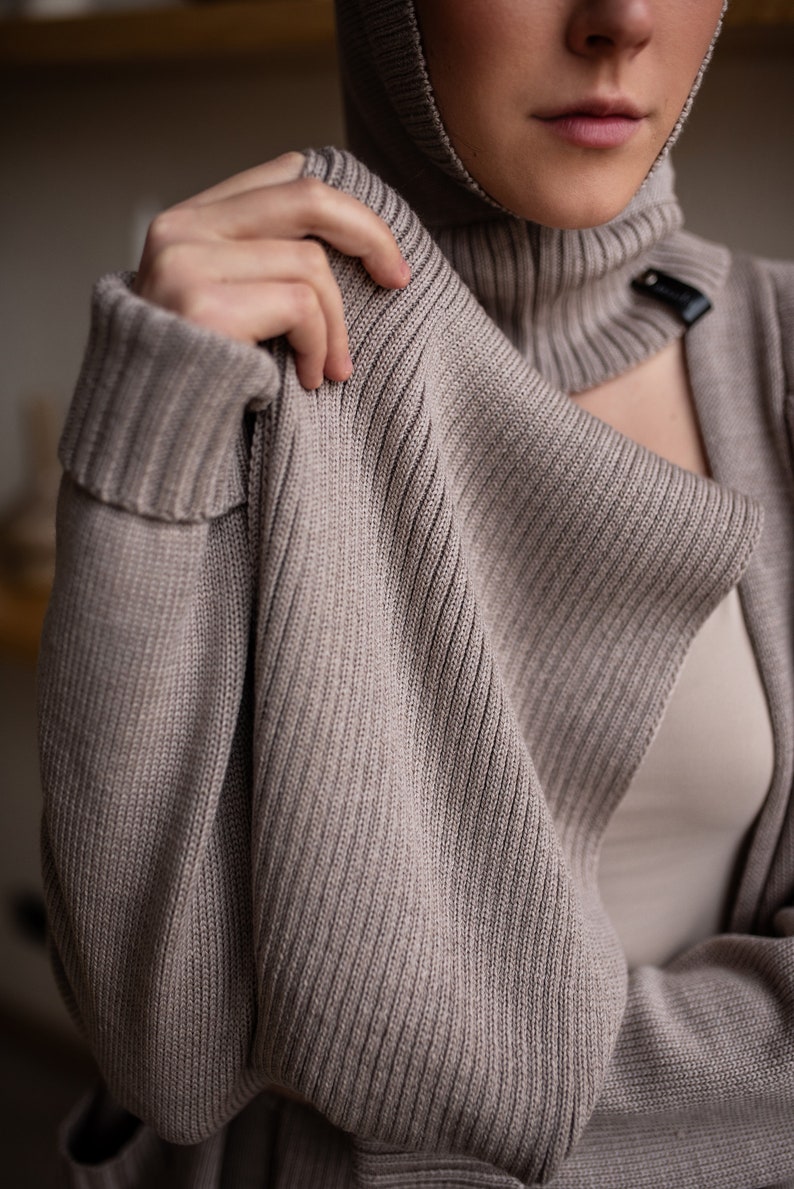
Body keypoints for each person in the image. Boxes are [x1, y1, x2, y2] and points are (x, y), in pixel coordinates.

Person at [37, 0, 794, 1186]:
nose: (622, 20)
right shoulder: (224, 361)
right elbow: (167, 1055)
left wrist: (402, 1090)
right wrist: (147, 434)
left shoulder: (783, 361)